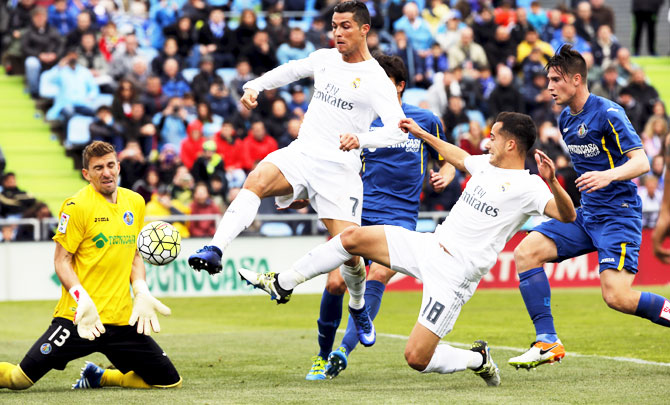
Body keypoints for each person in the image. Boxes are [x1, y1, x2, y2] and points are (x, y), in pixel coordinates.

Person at [240, 111, 576, 386]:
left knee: (416, 358)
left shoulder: (531, 186)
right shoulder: (486, 165)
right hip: (430, 245)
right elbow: (456, 156)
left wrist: (552, 181)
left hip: (455, 275)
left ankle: (478, 358)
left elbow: (566, 214)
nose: (487, 141)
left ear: (511, 144)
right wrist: (421, 133)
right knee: (352, 238)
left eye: (494, 136)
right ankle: (282, 282)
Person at [188, 0, 408, 347]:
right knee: (256, 180)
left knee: (350, 255)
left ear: (365, 29)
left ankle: (359, 305)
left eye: (346, 26)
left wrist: (361, 139)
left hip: (340, 168)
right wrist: (255, 85)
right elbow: (292, 69)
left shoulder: (377, 80)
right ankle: (215, 249)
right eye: (334, 26)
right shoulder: (324, 59)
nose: (337, 32)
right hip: (303, 152)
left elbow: (398, 130)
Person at [508, 45, 668, 370]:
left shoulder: (608, 113)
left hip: (618, 215)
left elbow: (642, 162)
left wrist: (607, 176)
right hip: (587, 215)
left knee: (617, 297)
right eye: (548, 79)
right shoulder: (565, 118)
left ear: (577, 79)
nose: (549, 87)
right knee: (526, 253)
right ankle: (547, 341)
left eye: (555, 79)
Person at [305, 54, 455, 381]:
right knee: (334, 282)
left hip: (401, 217)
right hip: (359, 212)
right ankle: (321, 354)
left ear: (400, 86)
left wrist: (446, 173)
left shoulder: (425, 120)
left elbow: (449, 157)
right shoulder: (360, 121)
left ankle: (341, 352)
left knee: (378, 277)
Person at [0, 141, 181, 391]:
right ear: (87, 174)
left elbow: (135, 255)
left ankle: (102, 376)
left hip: (120, 321)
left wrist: (141, 290)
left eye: (109, 166)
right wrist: (81, 297)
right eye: (98, 168)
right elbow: (61, 260)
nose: (106, 172)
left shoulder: (136, 202)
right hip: (78, 318)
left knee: (169, 382)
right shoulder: (76, 206)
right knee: (18, 380)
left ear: (118, 167)